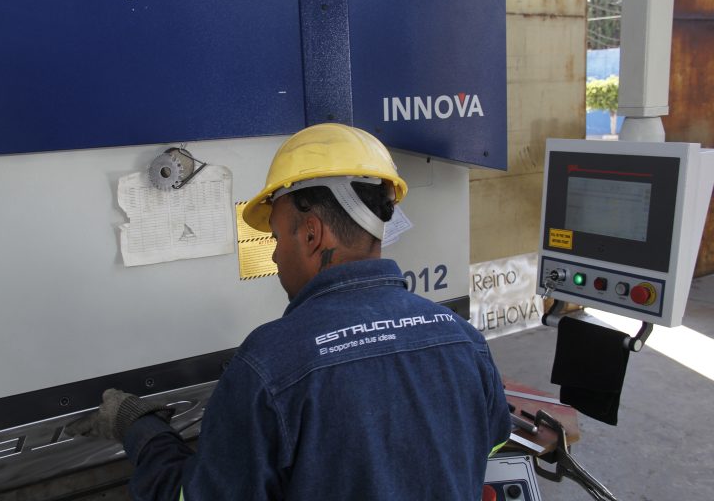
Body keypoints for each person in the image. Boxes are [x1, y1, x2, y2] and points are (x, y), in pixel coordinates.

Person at [69, 123, 511, 500]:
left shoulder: (270, 363)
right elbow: (487, 444)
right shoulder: (462, 339)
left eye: (278, 238)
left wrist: (140, 430)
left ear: (312, 234)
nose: (275, 257)